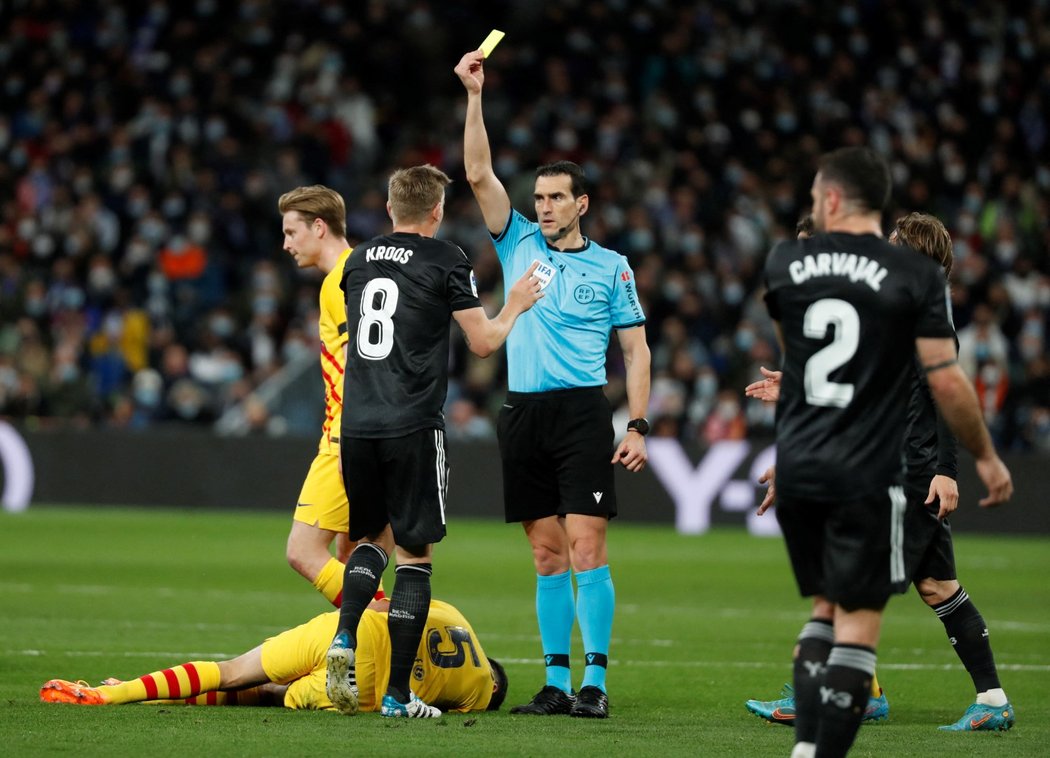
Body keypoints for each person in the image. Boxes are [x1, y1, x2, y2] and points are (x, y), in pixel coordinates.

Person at [762, 147, 1012, 758]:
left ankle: (841, 711)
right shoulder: (892, 308)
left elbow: (942, 393)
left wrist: (953, 469)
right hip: (888, 469)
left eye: (900, 237)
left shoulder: (919, 310)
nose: (890, 242)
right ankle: (989, 700)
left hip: (908, 475)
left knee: (849, 604)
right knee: (934, 586)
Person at [455, 49, 652, 720]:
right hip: (523, 412)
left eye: (555, 197)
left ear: (582, 204)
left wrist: (640, 423)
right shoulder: (517, 245)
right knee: (544, 551)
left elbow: (636, 348)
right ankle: (555, 682)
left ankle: (594, 684)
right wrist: (474, 97)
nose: (542, 207)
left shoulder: (612, 267)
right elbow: (477, 171)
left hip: (580, 414)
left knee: (587, 542)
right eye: (538, 197)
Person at [325, 164, 543, 720]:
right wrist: (516, 300)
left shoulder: (357, 260)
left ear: (391, 207)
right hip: (413, 423)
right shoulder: (447, 259)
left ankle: (345, 637)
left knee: (371, 536)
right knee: (416, 556)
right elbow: (484, 342)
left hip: (358, 423)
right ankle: (398, 694)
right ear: (437, 212)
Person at [40, 597, 507, 714]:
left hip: (349, 633)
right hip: (365, 687)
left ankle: (118, 692)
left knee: (230, 671)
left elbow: (391, 604)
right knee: (265, 694)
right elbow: (434, 706)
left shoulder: (456, 615)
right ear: (496, 682)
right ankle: (137, 698)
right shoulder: (481, 695)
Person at [277, 185, 374, 607]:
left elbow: (362, 362)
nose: (286, 244)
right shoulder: (362, 270)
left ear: (319, 227)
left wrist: (353, 435)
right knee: (352, 554)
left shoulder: (339, 282)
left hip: (347, 434)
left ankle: (380, 628)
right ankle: (370, 644)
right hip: (371, 433)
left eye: (291, 232)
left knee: (303, 551)